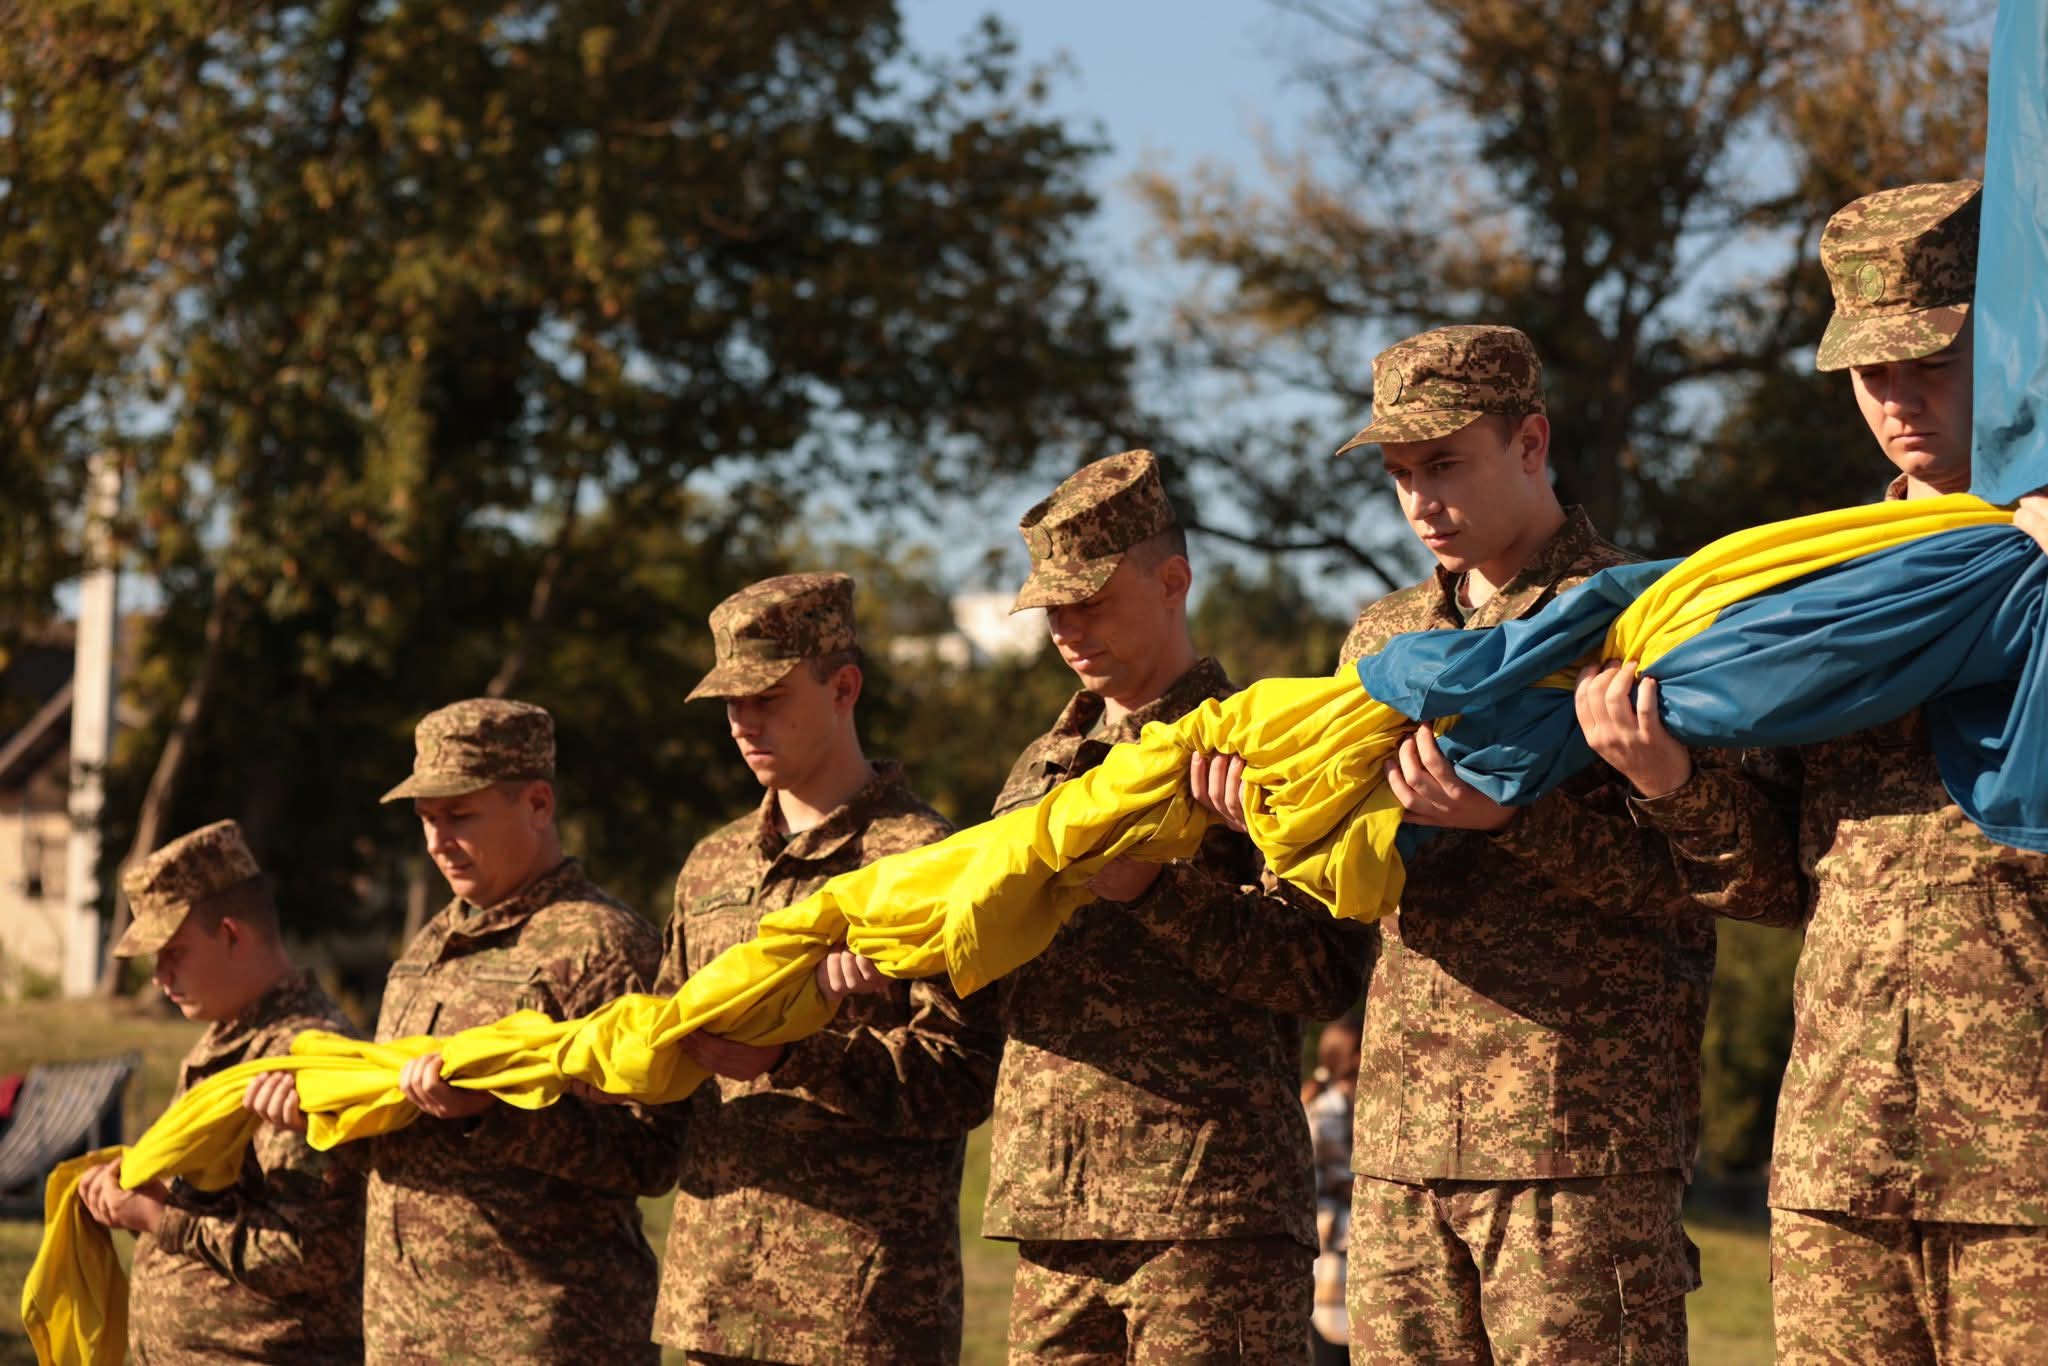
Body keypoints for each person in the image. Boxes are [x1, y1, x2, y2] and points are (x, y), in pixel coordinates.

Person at [1191, 325, 1797, 1363]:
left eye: (1443, 463)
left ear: (1529, 442)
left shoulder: (1647, 614)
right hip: (1397, 1151)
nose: (1419, 498)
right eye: (1397, 473)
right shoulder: (1383, 639)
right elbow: (1347, 895)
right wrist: (1279, 831)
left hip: (1576, 1142)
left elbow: (1749, 873)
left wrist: (1521, 820)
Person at [885, 449, 1369, 1362]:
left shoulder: (1263, 741)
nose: (1067, 629)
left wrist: (1160, 893)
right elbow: (994, 992)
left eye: (1091, 601)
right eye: (1052, 608)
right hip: (1052, 1213)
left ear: (1173, 581)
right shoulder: (1043, 766)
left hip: (1209, 1214)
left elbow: (1323, 970)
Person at [1758, 179, 2048, 1364]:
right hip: (1840, 1158)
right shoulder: (1812, 598)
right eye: (1865, 372)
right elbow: (1768, 879)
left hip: (2028, 1165)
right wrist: (1668, 782)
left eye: (1926, 358)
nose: (1892, 398)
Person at [644, 571, 1001, 1364]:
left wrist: (798, 1052)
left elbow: (965, 1078)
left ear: (844, 687)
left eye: (766, 696)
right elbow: (667, 1045)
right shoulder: (711, 865)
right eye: (729, 703)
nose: (742, 722)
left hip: (862, 1311)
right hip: (715, 1301)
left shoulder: (928, 858)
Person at [250, 697, 674, 1362]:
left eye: (460, 815)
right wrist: (324, 1118)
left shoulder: (604, 944)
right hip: (407, 1337)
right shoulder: (429, 943)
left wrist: (489, 1114)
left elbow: (654, 1152)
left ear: (537, 804)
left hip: (543, 1339)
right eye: (426, 819)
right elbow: (401, 1139)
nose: (436, 841)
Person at [79, 819, 364, 1364]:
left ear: (232, 935)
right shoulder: (230, 1038)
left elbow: (312, 1253)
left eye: (173, 952)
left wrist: (158, 1218)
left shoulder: (302, 1055)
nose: (158, 976)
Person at [1303, 1016, 1361, 1366]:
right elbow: (1313, 1192)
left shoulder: (1359, 1110)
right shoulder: (1325, 1114)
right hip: (1333, 1264)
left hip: (1357, 1258)